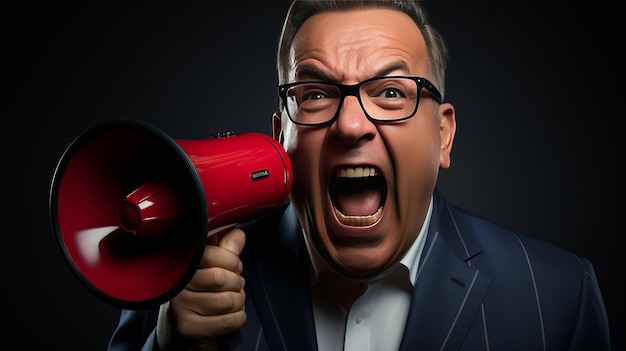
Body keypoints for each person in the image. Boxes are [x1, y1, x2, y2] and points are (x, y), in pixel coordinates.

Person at [108, 1, 611, 350]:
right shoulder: (176, 279)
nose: (350, 125)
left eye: (391, 92)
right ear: (281, 136)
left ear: (443, 135)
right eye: (316, 94)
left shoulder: (558, 296)